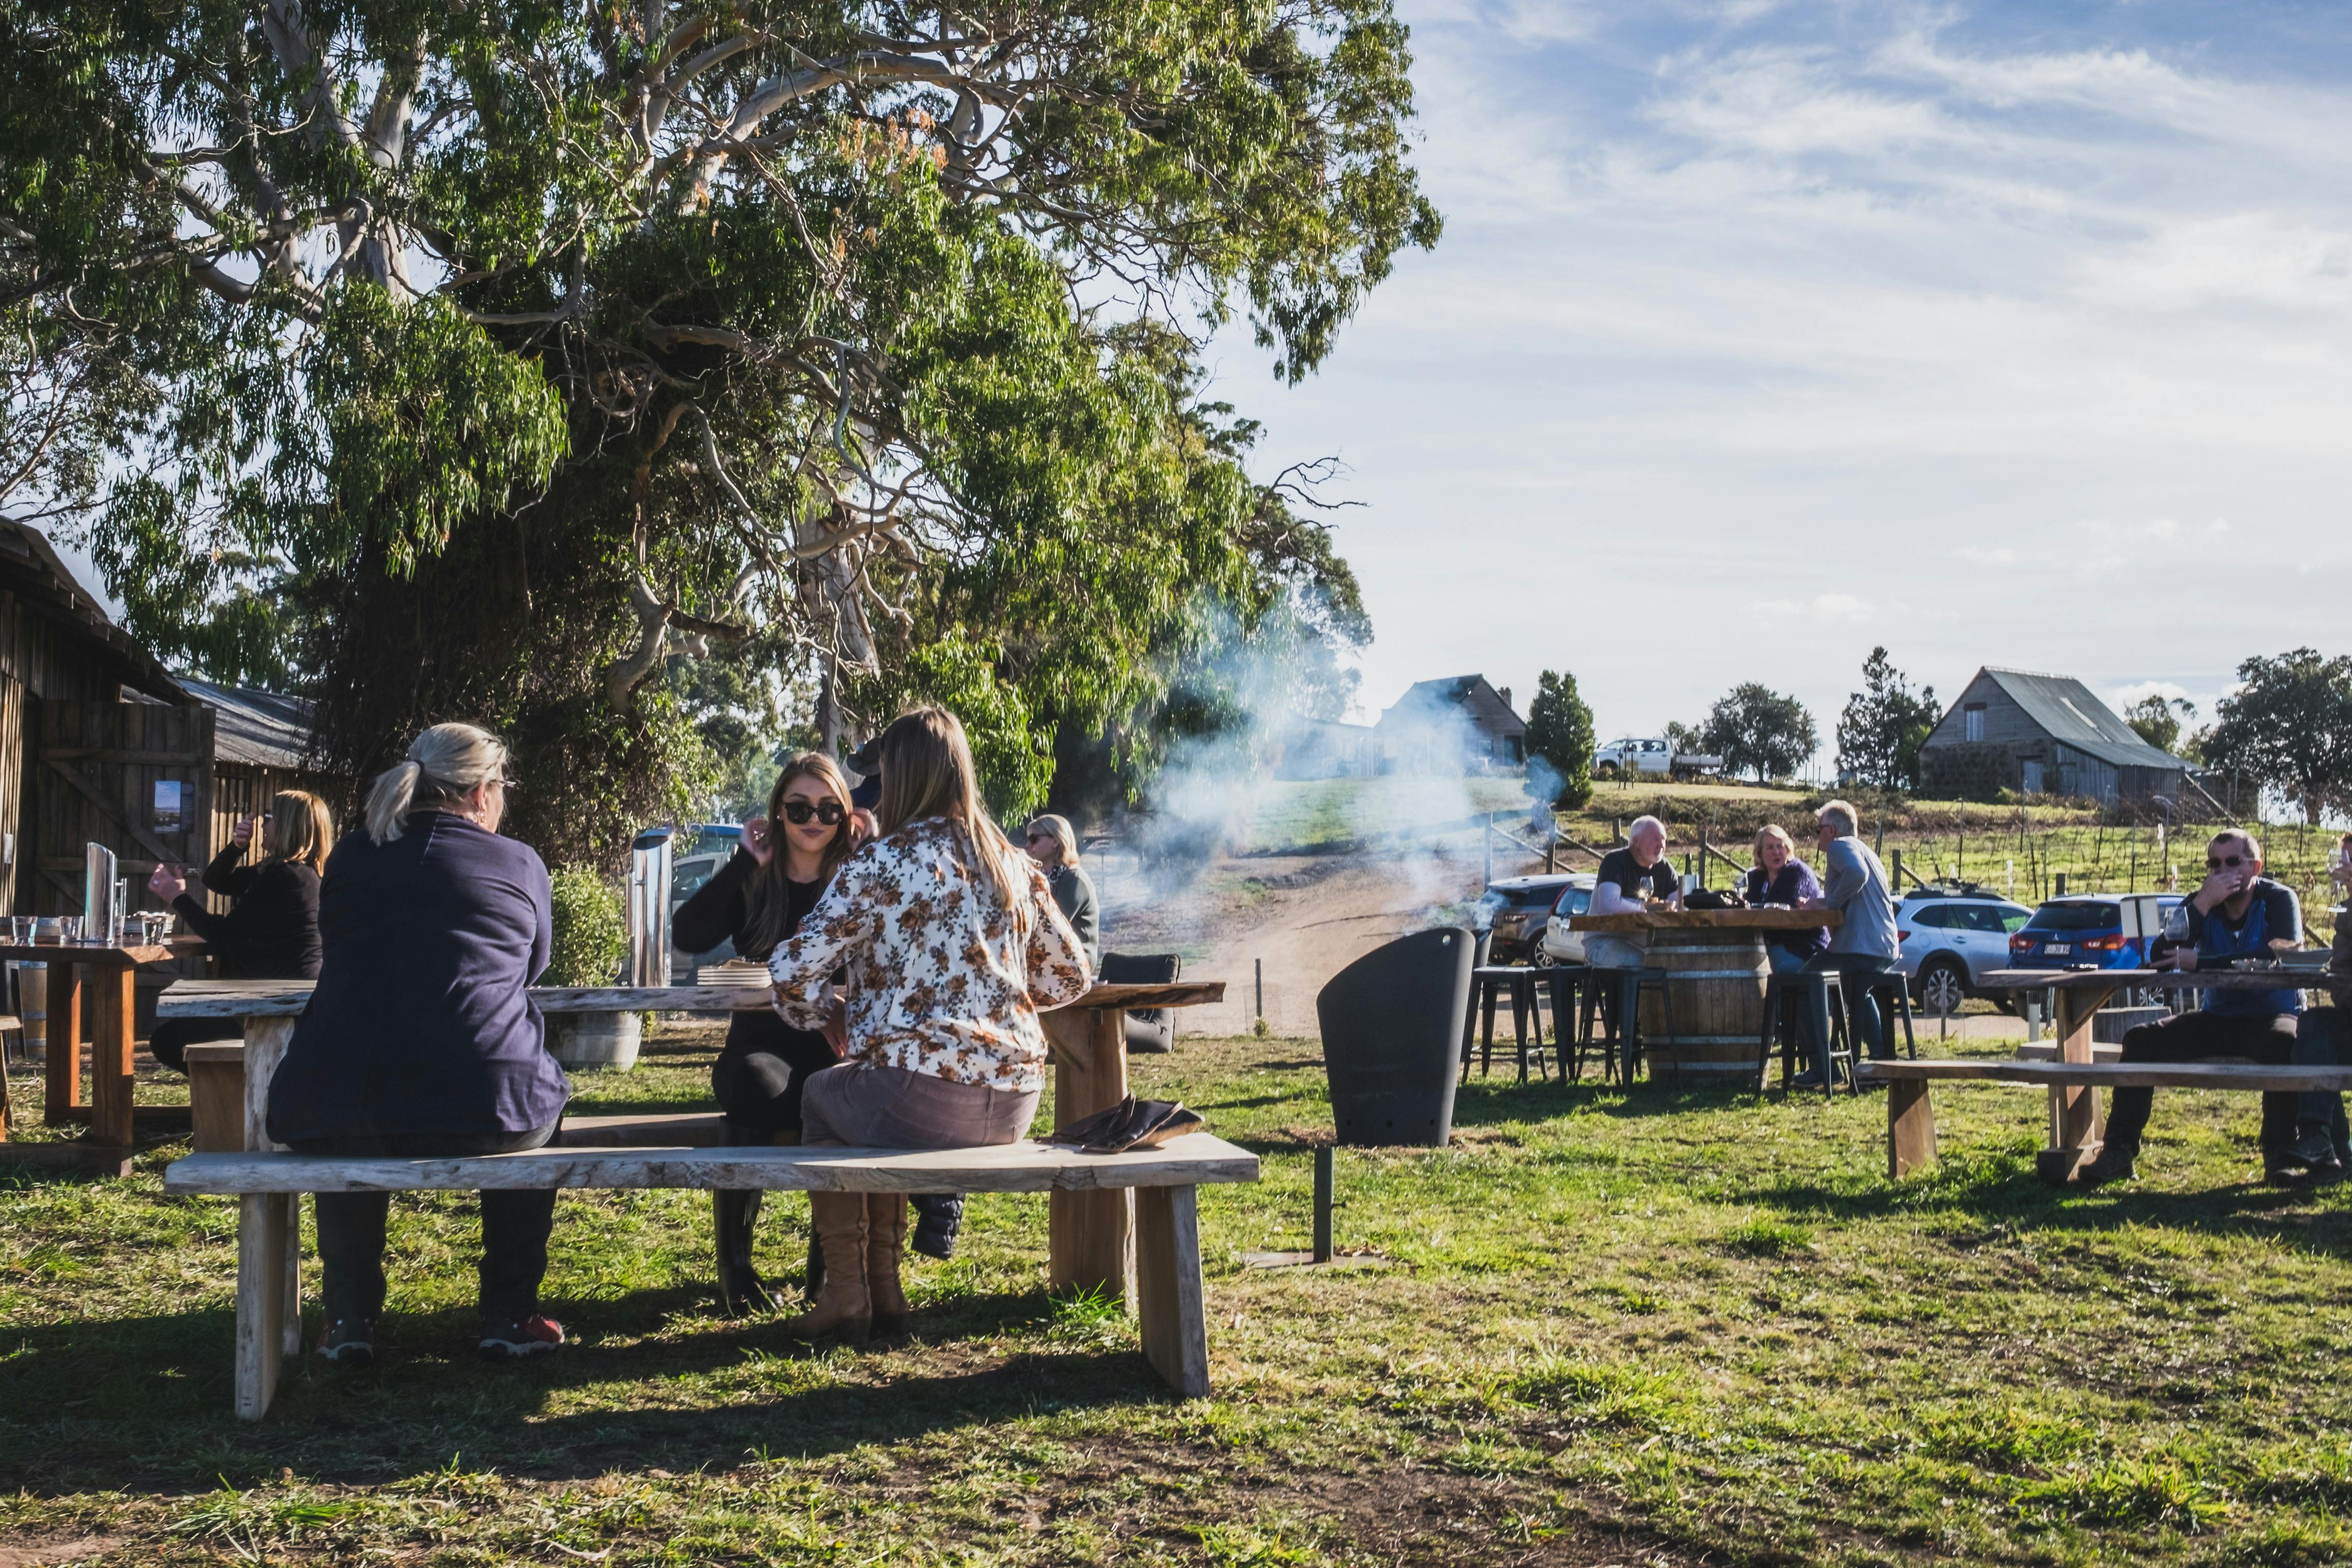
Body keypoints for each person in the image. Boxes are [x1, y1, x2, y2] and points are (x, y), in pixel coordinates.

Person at [765, 706, 1091, 1343]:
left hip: (923, 1097)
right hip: (1018, 1098)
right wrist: (998, 1002)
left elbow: (790, 970)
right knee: (866, 1089)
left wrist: (822, 1011)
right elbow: (1071, 977)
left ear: (901, 776)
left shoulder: (883, 863)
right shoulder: (1013, 862)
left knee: (821, 1096)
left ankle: (851, 1295)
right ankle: (885, 1297)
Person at [264, 724, 569, 1366]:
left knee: (357, 1111)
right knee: (541, 1106)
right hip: (488, 1107)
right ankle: (509, 1313)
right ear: (483, 794)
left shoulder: (349, 855)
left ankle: (349, 1317)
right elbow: (530, 968)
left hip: (338, 1102)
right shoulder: (518, 862)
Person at [672, 754, 862, 1314]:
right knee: (751, 1087)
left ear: (844, 815)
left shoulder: (856, 877)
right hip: (764, 1044)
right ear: (778, 812)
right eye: (800, 807)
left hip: (838, 1047)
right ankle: (735, 1267)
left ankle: (828, 1269)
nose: (814, 820)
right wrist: (740, 862)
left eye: (829, 809)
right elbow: (688, 935)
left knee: (841, 1099)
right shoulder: (756, 875)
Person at [2079, 828, 2306, 1187]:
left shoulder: (2278, 900)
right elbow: (2159, 958)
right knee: (2140, 1040)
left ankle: (2279, 1154)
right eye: (2214, 864)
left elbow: (2278, 954)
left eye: (2233, 862)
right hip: (2218, 1017)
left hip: (2273, 1015)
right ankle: (2119, 1151)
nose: (2222, 871)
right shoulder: (2201, 903)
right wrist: (2202, 903)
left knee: (2289, 1045)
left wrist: (2201, 961)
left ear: (2256, 866)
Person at [144, 790, 333, 1073]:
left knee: (167, 1040)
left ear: (288, 826)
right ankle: (237, 1099)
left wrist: (176, 898)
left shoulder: (284, 879)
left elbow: (221, 936)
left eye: (269, 817)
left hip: (273, 1007)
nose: (261, 823)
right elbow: (216, 880)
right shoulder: (299, 874)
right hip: (287, 1001)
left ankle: (236, 1100)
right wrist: (236, 847)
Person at [1797, 800, 1899, 1086]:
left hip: (1860, 947)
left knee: (1804, 982)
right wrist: (1822, 902)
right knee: (1858, 992)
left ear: (1831, 830)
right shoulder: (1868, 852)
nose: (1818, 836)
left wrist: (1830, 901)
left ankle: (1823, 1068)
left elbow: (1856, 874)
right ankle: (1880, 1066)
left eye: (1819, 830)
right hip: (1884, 948)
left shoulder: (1840, 846)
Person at [2287, 833, 2352, 1179]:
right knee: (2313, 1027)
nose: (2345, 868)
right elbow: (2342, 976)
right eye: (2345, 859)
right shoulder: (2347, 913)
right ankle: (2320, 1139)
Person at [1744, 825, 1830, 1063]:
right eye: (1769, 847)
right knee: (1752, 966)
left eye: (1780, 846)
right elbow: (1748, 906)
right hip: (1775, 948)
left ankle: (1779, 1025)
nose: (1776, 852)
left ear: (1788, 849)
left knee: (1768, 972)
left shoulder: (1796, 871)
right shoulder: (1757, 877)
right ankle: (1776, 1025)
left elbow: (1780, 905)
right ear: (1760, 853)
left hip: (1806, 949)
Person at [1024, 814, 1100, 971]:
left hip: (1076, 965)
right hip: (1050, 959)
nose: (1028, 845)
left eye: (1034, 839)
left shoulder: (1074, 880)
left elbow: (1049, 927)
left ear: (1055, 841)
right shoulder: (1043, 878)